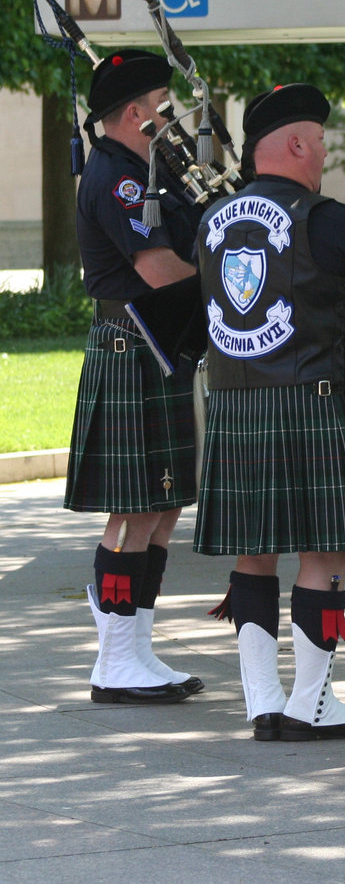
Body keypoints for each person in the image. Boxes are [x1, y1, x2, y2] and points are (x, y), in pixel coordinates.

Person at [194, 84, 345, 742]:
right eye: (318, 144)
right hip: (312, 397)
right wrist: (339, 336)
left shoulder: (211, 220)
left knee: (254, 554)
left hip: (233, 403)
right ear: (293, 145)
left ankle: (262, 701)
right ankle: (311, 702)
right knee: (322, 552)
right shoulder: (330, 218)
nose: (322, 157)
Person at [65, 49, 204, 705]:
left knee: (162, 503)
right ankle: (115, 658)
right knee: (132, 510)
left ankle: (137, 647)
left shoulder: (147, 169)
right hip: (134, 343)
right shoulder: (118, 178)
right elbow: (157, 270)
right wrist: (228, 294)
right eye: (163, 108)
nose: (170, 121)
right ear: (133, 112)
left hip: (157, 343)